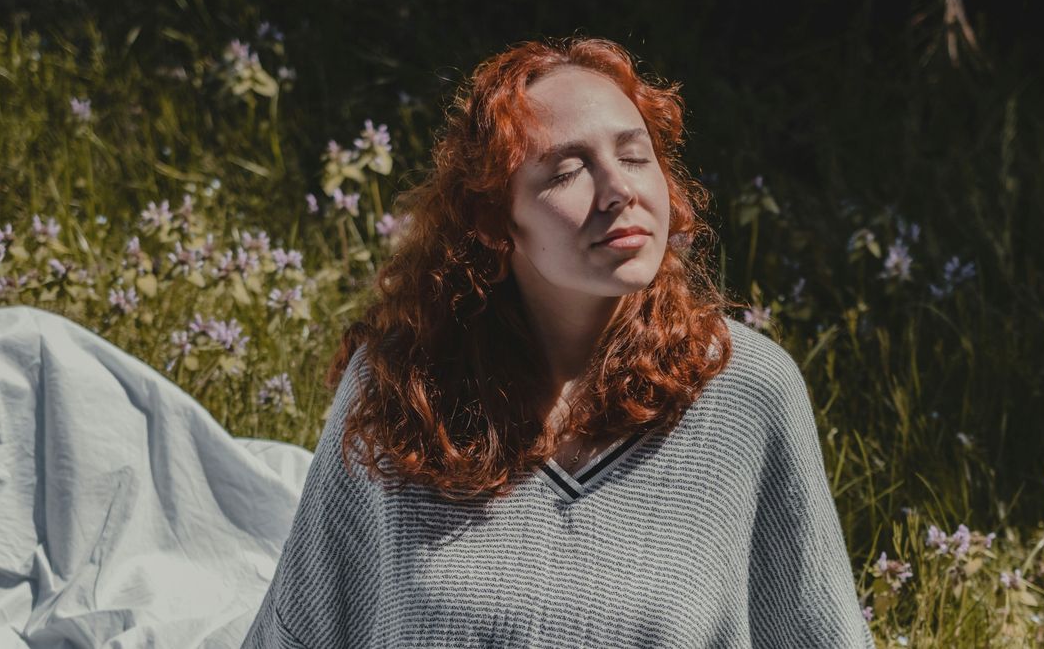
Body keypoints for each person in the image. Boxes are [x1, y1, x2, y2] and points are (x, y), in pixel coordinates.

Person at [241, 36, 874, 648]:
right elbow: (300, 630)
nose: (620, 191)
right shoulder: (400, 387)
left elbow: (820, 634)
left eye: (634, 156)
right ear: (492, 220)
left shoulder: (746, 388)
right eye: (568, 170)